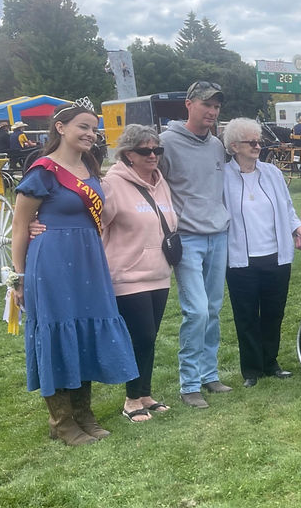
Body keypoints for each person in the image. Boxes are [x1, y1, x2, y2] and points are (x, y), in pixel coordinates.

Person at [11, 102, 138, 446]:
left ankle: (84, 414)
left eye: (94, 129)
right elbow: (21, 227)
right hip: (51, 261)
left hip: (88, 260)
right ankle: (61, 421)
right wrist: (18, 278)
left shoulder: (89, 167)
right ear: (61, 128)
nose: (89, 134)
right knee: (58, 331)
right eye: (82, 126)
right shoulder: (43, 171)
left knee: (84, 331)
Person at [222, 118, 301, 388]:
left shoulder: (273, 173)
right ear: (234, 146)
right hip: (240, 259)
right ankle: (251, 369)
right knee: (245, 315)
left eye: (259, 141)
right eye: (251, 142)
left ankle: (271, 362)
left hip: (276, 256)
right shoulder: (222, 177)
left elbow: (288, 210)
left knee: (273, 312)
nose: (257, 146)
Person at [159, 81, 232, 409]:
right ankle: (189, 383)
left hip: (219, 235)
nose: (212, 112)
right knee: (196, 310)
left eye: (216, 107)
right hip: (187, 239)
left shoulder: (217, 145)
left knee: (213, 309)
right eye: (206, 105)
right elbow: (153, 186)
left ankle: (209, 374)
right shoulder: (165, 144)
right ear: (188, 104)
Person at [102, 124, 177, 422]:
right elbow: (96, 227)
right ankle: (132, 399)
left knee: (151, 337)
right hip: (127, 275)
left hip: (159, 272)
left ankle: (145, 392)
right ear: (128, 154)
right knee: (140, 337)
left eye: (157, 150)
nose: (153, 155)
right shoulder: (112, 185)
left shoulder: (161, 183)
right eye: (145, 151)